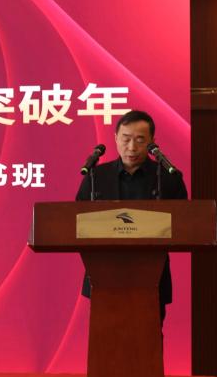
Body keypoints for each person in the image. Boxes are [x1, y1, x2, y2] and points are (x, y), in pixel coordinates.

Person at [75, 110, 188, 323]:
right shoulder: (96, 176)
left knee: (149, 336)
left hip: (152, 276)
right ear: (116, 138)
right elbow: (76, 219)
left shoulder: (167, 178)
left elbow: (184, 221)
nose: (132, 147)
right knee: (105, 336)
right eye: (126, 139)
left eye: (140, 140)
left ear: (152, 142)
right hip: (104, 274)